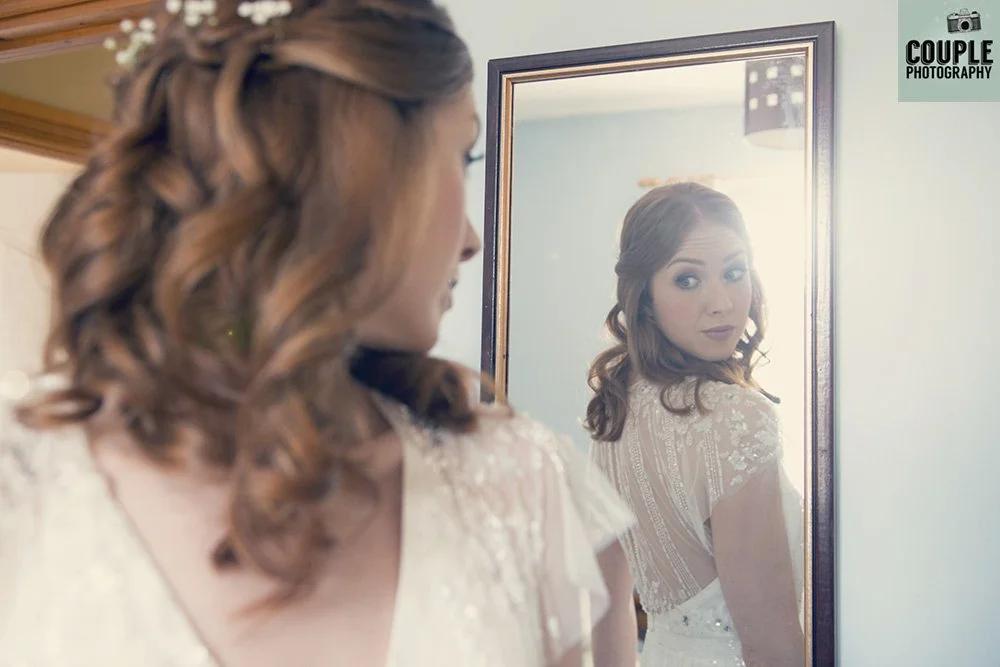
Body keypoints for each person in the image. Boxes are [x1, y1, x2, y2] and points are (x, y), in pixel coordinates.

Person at [0, 1, 639, 665]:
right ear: (358, 158)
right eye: (462, 155)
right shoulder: (20, 473)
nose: (473, 239)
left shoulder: (520, 485)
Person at [585, 182, 804, 667]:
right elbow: (772, 646)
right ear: (644, 299)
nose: (722, 301)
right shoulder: (737, 418)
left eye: (734, 272)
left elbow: (606, 612)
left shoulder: (612, 413)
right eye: (688, 280)